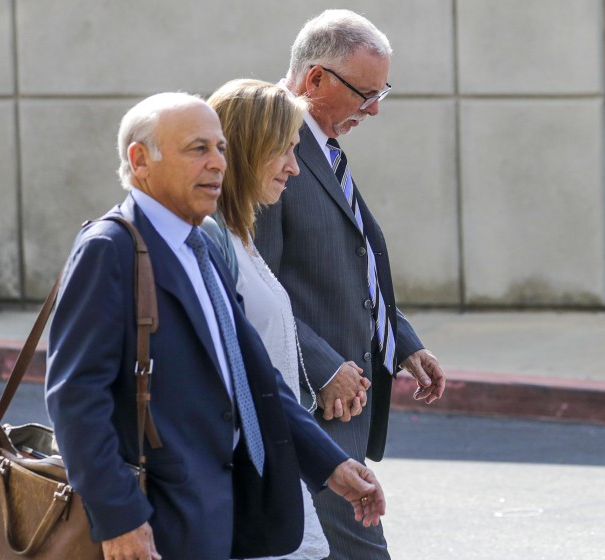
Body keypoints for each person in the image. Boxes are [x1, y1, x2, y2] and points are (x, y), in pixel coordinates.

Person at [45, 92, 386, 560]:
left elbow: (256, 381)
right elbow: (76, 398)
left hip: (222, 515)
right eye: (197, 149)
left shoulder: (201, 248)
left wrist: (330, 465)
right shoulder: (111, 249)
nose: (216, 164)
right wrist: (120, 518)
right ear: (139, 160)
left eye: (220, 148)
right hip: (158, 521)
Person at [253, 10, 447, 559]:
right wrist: (323, 367)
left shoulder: (322, 145)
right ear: (315, 80)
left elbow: (351, 254)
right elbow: (253, 284)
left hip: (344, 395)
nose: (375, 108)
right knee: (358, 548)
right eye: (365, 93)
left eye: (381, 90)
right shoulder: (271, 146)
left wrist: (401, 340)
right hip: (314, 401)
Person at [201, 78, 368, 560]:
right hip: (241, 484)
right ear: (251, 149)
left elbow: (264, 375)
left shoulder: (240, 236)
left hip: (274, 472)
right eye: (284, 151)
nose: (295, 167)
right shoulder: (210, 241)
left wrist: (326, 461)